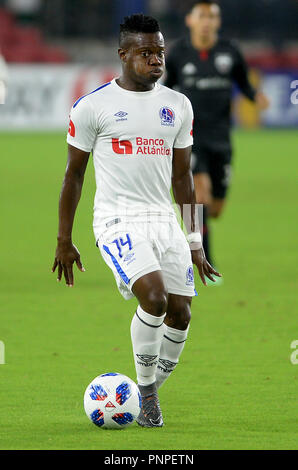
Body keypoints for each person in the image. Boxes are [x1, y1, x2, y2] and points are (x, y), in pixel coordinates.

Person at [52, 13, 221, 428]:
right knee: (155, 299)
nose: (156, 60)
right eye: (146, 53)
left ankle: (143, 392)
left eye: (160, 52)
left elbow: (182, 177)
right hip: (117, 219)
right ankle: (146, 398)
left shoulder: (177, 105)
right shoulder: (93, 107)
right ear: (123, 55)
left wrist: (195, 240)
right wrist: (63, 238)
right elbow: (74, 175)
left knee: (181, 314)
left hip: (164, 220)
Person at [165, 0, 270, 274]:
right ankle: (202, 260)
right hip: (189, 137)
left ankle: (189, 227)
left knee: (214, 209)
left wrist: (255, 97)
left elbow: (244, 84)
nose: (207, 21)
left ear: (218, 22)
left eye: (212, 16)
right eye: (202, 16)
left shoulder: (230, 51)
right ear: (190, 20)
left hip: (222, 139)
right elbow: (166, 91)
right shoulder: (178, 54)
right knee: (200, 196)